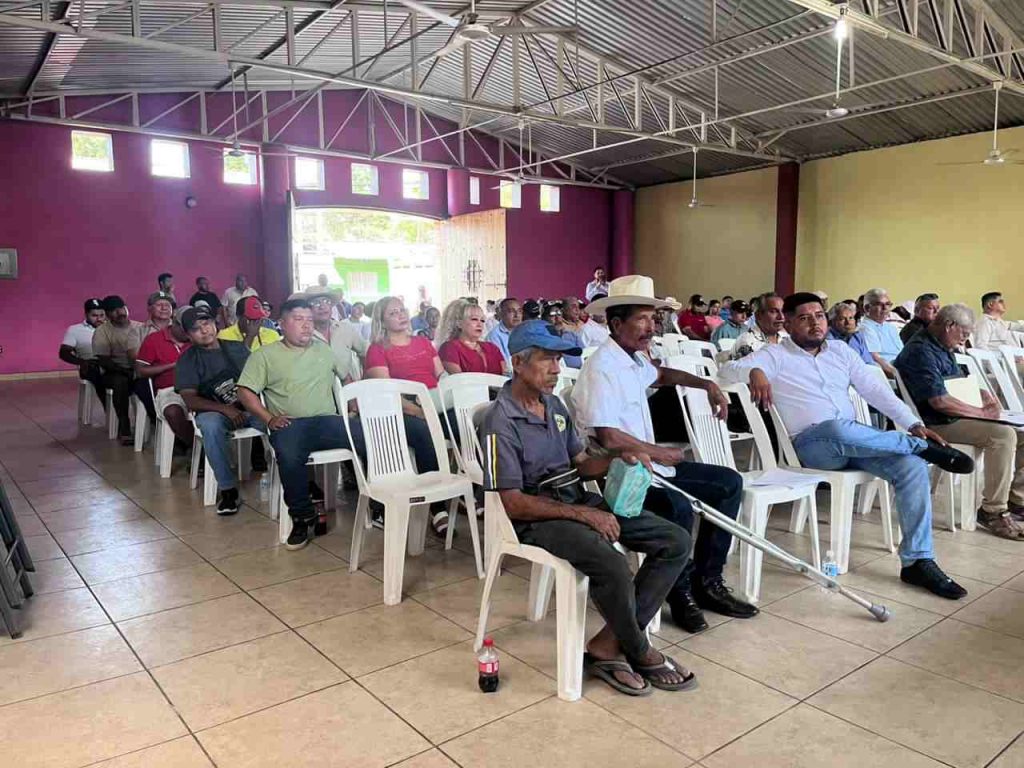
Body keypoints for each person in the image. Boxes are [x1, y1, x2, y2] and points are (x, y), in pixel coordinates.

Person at [481, 319, 695, 694]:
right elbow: (513, 503)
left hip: (574, 500)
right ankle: (639, 649)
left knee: (675, 541)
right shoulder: (500, 422)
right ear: (517, 363)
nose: (556, 369)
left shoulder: (554, 405)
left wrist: (616, 457)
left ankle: (608, 645)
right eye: (547, 359)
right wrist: (584, 514)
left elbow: (580, 463)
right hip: (536, 517)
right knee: (611, 563)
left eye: (559, 359)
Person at [720, 293, 975, 599]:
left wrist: (913, 424)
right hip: (812, 447)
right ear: (787, 323)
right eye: (804, 318)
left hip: (855, 443)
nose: (815, 323)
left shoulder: (840, 351)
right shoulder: (774, 355)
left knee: (911, 466)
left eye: (819, 316)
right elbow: (725, 371)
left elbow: (876, 391)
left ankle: (917, 561)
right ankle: (915, 445)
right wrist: (754, 371)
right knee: (837, 427)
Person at [573, 275, 757, 632]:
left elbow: (660, 375)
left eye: (653, 318)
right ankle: (679, 590)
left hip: (654, 469)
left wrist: (707, 384)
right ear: (616, 324)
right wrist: (659, 452)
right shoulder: (601, 369)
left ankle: (708, 581)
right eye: (642, 319)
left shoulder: (632, 360)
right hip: (621, 476)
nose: (651, 327)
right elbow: (608, 437)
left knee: (728, 483)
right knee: (677, 506)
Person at [895, 303, 1024, 537]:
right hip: (935, 423)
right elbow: (939, 401)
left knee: (1022, 433)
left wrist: (983, 395)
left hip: (953, 417)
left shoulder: (942, 346)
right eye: (964, 333)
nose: (965, 339)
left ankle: (1017, 500)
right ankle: (993, 511)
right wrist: (981, 413)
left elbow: (959, 381)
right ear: (949, 325)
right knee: (1003, 436)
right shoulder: (920, 351)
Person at [237, 297, 355, 550]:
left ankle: (378, 503)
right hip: (291, 424)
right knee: (289, 455)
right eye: (299, 319)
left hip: (327, 421)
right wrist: (269, 418)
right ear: (281, 323)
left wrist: (353, 407)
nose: (306, 325)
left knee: (371, 436)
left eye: (309, 320)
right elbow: (244, 391)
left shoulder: (323, 350)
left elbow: (346, 378)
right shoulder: (265, 355)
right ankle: (302, 517)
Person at [365, 296, 452, 535]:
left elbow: (441, 376)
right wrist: (418, 411)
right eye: (393, 313)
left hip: (434, 401)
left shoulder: (423, 342)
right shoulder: (377, 349)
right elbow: (385, 391)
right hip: (400, 408)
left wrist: (447, 395)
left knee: (468, 422)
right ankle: (437, 508)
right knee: (425, 433)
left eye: (402, 310)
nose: (401, 315)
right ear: (381, 321)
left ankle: (475, 491)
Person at [176, 305, 266, 515]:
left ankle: (293, 478)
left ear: (214, 324)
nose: (204, 330)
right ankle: (228, 490)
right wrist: (225, 409)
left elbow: (259, 378)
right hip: (214, 412)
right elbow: (189, 399)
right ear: (188, 335)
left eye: (206, 323)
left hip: (248, 407)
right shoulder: (188, 360)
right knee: (210, 425)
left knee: (278, 421)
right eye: (196, 328)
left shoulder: (235, 348)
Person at [135, 307, 194, 449]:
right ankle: (197, 447)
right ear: (175, 323)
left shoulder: (197, 338)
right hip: (169, 390)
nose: (190, 333)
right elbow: (140, 371)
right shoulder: (154, 340)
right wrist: (173, 365)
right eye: (186, 329)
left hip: (198, 387)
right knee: (172, 412)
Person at [92, 295, 146, 445]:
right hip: (115, 371)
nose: (120, 312)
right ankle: (124, 427)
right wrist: (125, 371)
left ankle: (152, 424)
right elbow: (103, 360)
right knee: (120, 382)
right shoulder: (102, 331)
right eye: (114, 310)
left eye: (122, 308)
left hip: (139, 369)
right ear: (107, 314)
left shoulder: (140, 327)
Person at [306, 290, 367, 382]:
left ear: (331, 307)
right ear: (307, 309)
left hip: (349, 387)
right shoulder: (303, 334)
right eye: (316, 303)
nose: (322, 306)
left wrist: (365, 379)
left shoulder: (345, 329)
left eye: (326, 301)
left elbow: (365, 351)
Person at [438, 299, 507, 375]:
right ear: (459, 324)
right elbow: (458, 379)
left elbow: (505, 376)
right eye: (474, 319)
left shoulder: (492, 348)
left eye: (482, 320)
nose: (479, 324)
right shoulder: (449, 348)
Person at [60, 298, 107, 405]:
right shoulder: (75, 330)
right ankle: (111, 409)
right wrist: (81, 362)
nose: (99, 319)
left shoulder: (111, 328)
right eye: (94, 315)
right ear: (86, 315)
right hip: (89, 365)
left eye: (102, 315)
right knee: (98, 374)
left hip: (111, 364)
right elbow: (63, 353)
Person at [973, 292, 1024, 375]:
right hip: (1003, 365)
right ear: (990, 304)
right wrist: (998, 365)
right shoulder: (985, 322)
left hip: (1015, 363)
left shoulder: (1000, 322)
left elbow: (1018, 327)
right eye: (1000, 301)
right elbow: (980, 347)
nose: (1004, 304)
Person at [726, 292, 786, 361]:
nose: (781, 317)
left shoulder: (786, 338)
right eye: (773, 311)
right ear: (758, 315)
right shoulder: (748, 342)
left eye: (783, 311)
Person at [859, 288, 904, 374]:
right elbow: (875, 358)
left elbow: (903, 352)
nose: (885, 308)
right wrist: (898, 375)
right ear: (867, 308)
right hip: (890, 371)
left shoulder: (891, 327)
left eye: (888, 304)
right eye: (879, 304)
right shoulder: (865, 328)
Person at [542, 302, 584, 369]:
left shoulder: (572, 335)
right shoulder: (543, 339)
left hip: (580, 370)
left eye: (559, 314)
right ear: (545, 319)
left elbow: (585, 352)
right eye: (552, 315)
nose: (557, 318)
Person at [486, 298, 523, 362]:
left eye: (519, 311)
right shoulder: (494, 336)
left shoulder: (524, 331)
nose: (517, 315)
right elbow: (504, 363)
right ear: (501, 314)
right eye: (511, 311)